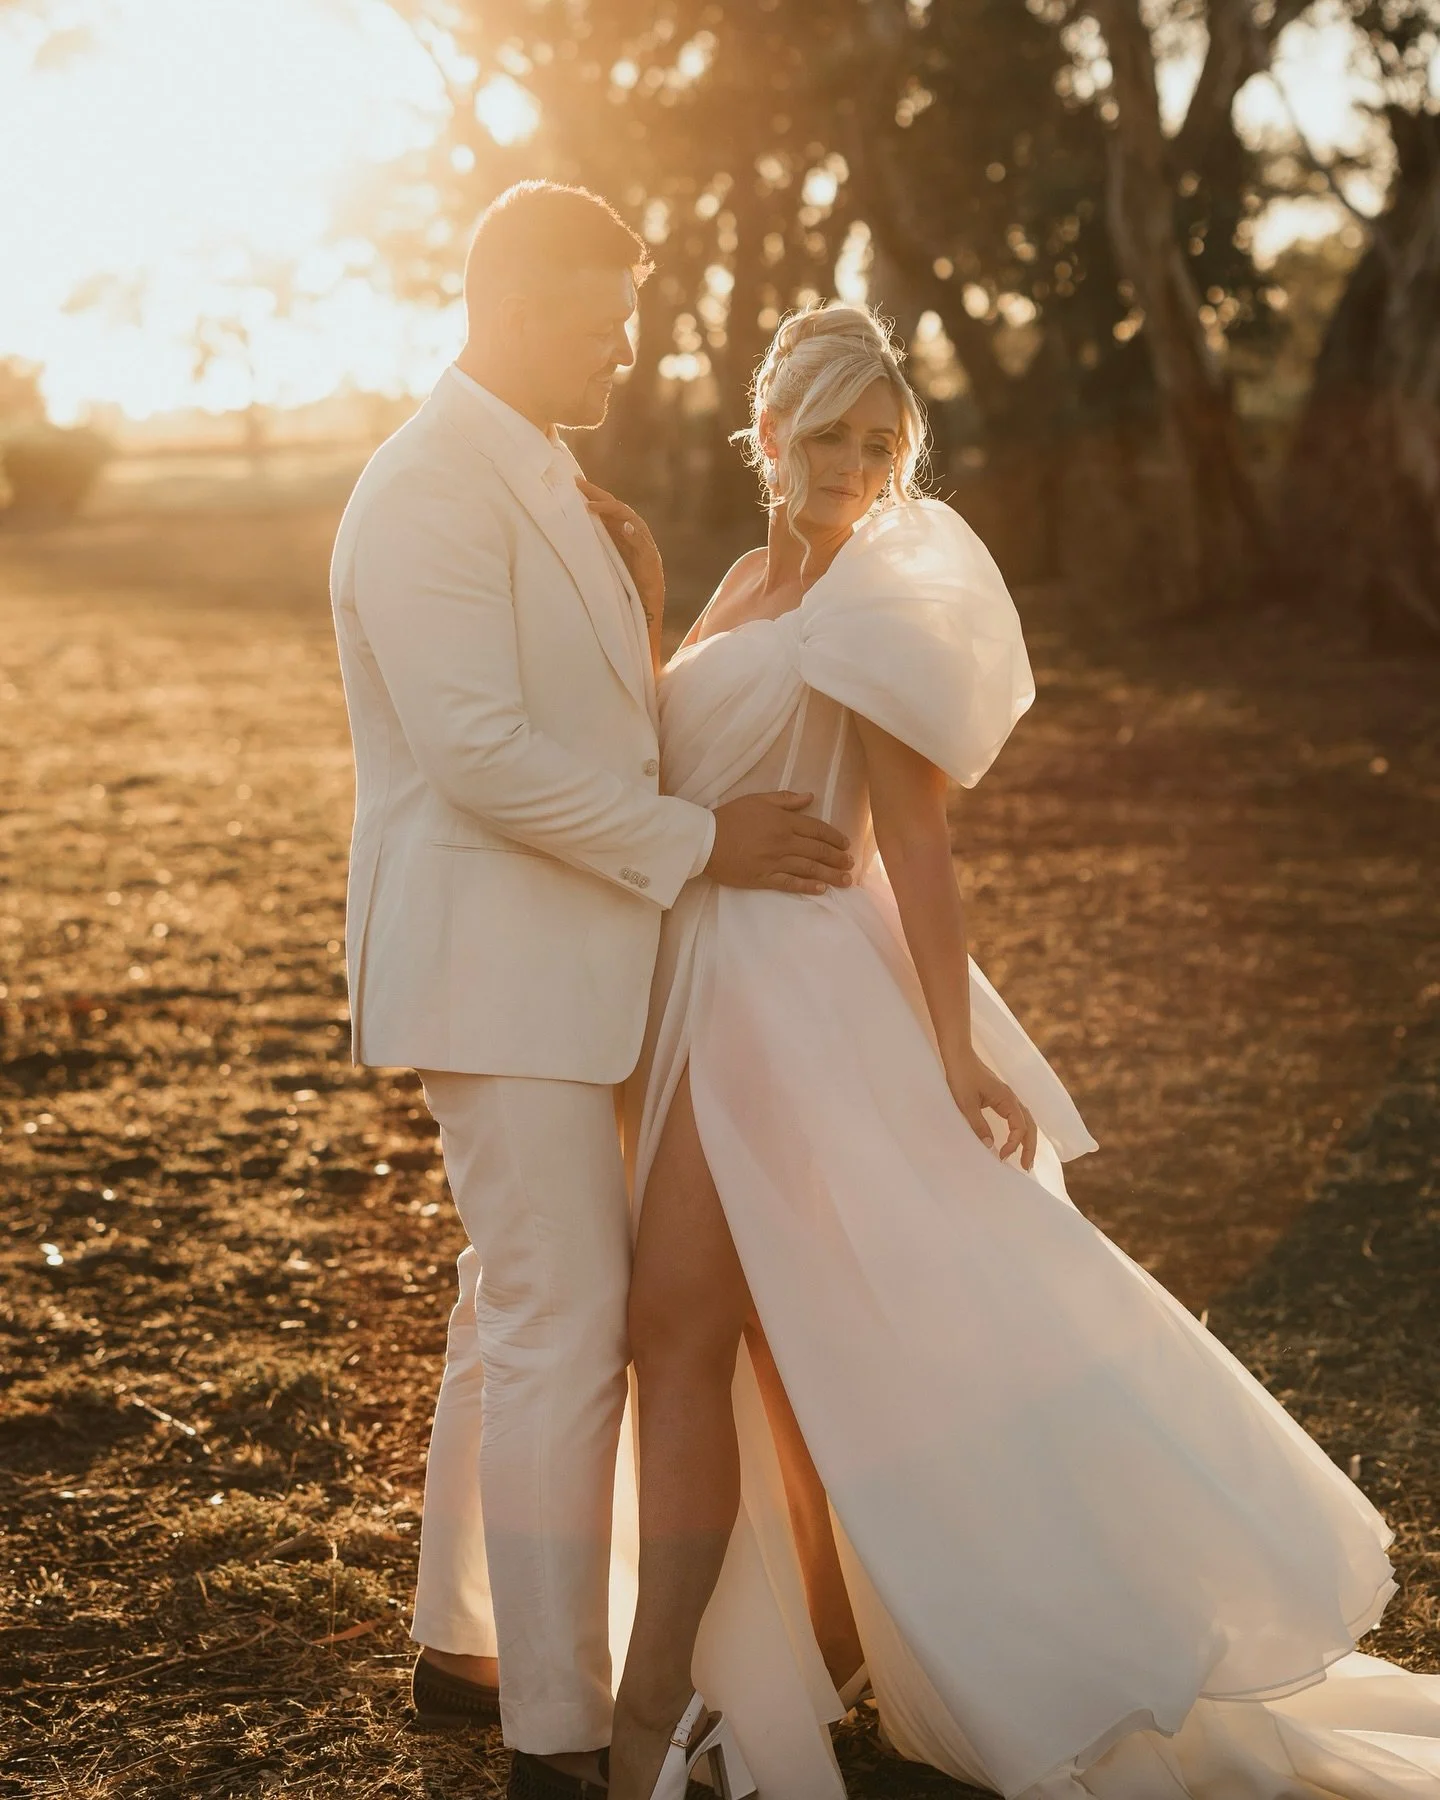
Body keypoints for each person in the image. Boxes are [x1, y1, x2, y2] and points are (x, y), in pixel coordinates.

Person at [595, 303, 1440, 1800]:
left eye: (880, 441)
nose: (852, 465)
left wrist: (952, 1051)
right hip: (697, 987)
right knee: (758, 1349)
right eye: (828, 435)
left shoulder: (870, 598)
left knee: (695, 1328)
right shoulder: (733, 576)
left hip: (801, 1008)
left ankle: (653, 1698)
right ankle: (811, 1660)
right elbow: (685, 777)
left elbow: (913, 842)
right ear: (768, 431)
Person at [327, 183, 852, 1800]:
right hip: (496, 968)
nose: (626, 344)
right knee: (570, 1327)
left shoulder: (542, 478)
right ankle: (555, 1735)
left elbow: (585, 711)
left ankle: (463, 1644)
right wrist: (699, 842)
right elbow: (479, 756)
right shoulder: (423, 489)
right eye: (601, 312)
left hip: (564, 968)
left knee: (512, 1307)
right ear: (512, 301)